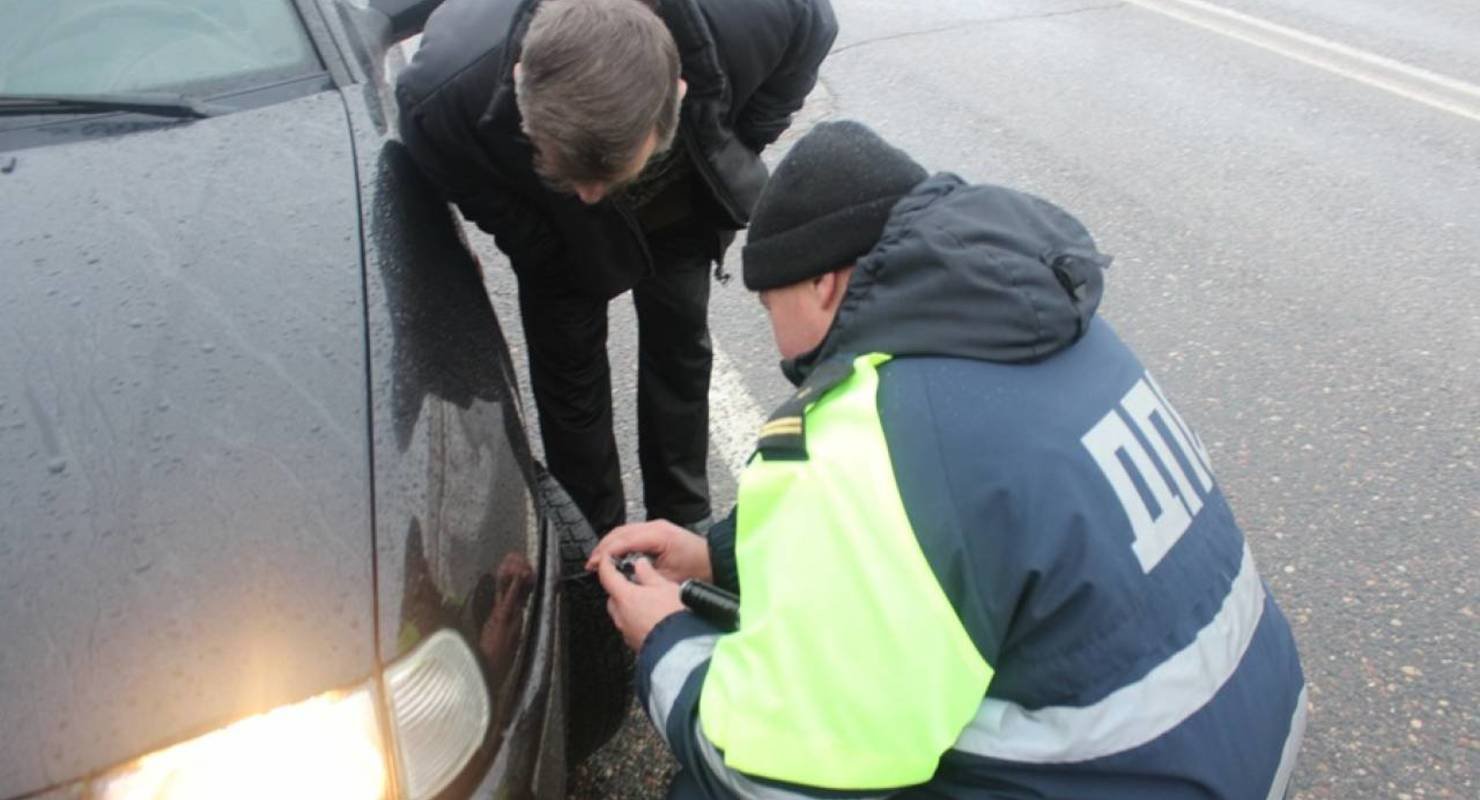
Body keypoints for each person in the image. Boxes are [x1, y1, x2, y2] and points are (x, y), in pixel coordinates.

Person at [589, 121, 1307, 799]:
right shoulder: (1053, 331)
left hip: (1118, 775)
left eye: (769, 303)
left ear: (823, 284)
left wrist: (665, 641)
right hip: (1240, 740)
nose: (778, 345)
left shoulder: (869, 433)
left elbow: (775, 777)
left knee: (713, 780)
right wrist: (722, 554)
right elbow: (962, 521)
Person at [395, 0, 838, 535]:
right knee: (569, 373)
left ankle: (682, 519)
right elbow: (469, 183)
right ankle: (595, 538)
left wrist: (735, 142)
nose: (588, 196)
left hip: (677, 202)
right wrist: (539, 247)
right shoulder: (443, 93)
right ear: (519, 81)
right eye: (566, 172)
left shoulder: (767, 13)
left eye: (608, 177)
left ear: (678, 90)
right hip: (549, 225)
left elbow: (812, 34)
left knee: (680, 344)